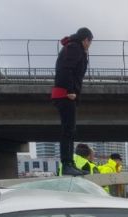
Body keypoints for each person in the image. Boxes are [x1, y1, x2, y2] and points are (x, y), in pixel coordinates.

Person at [51, 27, 93, 176]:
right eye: (90, 42)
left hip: (65, 94)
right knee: (68, 130)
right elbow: (65, 69)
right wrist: (69, 91)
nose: (89, 45)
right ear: (85, 40)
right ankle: (67, 163)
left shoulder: (74, 48)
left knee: (70, 130)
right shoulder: (75, 48)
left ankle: (70, 163)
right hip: (65, 94)